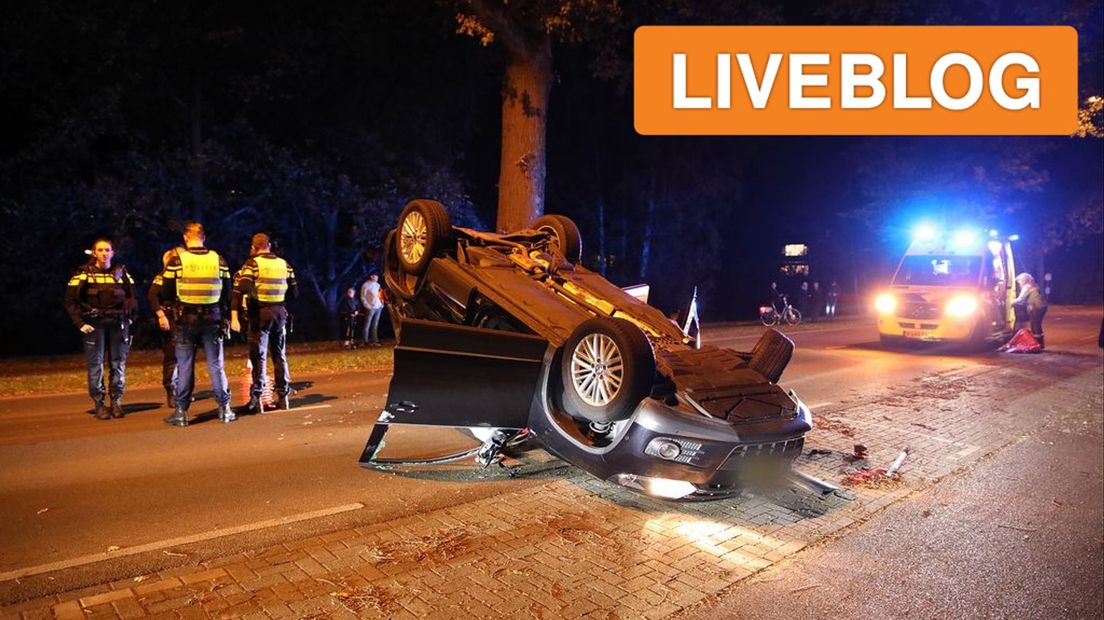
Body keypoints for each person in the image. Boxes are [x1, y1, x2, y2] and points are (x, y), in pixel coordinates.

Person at [153, 222, 235, 426]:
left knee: (185, 365)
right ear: (203, 237)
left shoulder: (176, 261)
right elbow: (227, 291)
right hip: (213, 317)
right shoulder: (218, 259)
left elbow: (167, 291)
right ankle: (224, 409)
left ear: (185, 238)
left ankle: (181, 412)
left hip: (185, 319)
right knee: (216, 364)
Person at [63, 238, 136, 420]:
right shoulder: (83, 274)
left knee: (118, 364)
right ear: (94, 253)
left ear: (113, 253)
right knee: (95, 365)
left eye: (107, 250)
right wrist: (80, 323)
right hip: (94, 325)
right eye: (100, 250)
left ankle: (116, 402)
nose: (104, 253)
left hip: (118, 324)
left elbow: (133, 298)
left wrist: (131, 319)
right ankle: (99, 404)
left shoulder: (122, 274)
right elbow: (70, 301)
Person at [231, 233, 298, 413]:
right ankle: (283, 396)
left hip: (260, 313)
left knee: (258, 356)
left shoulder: (252, 264)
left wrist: (253, 298)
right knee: (279, 355)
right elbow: (295, 291)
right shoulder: (284, 264)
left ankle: (257, 397)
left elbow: (244, 286)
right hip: (280, 312)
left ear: (254, 247)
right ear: (269, 245)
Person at [148, 247, 192, 408]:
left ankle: (183, 390)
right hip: (170, 318)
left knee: (186, 356)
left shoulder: (186, 276)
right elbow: (152, 296)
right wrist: (161, 315)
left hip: (186, 318)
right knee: (172, 356)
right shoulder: (162, 277)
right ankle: (171, 390)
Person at [1012, 272, 1048, 349]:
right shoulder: (1032, 285)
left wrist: (1009, 303)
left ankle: (1037, 345)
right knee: (1037, 325)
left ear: (1025, 280)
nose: (1019, 283)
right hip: (1041, 307)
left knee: (1035, 325)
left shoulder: (1026, 287)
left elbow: (1020, 299)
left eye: (1020, 281)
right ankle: (1040, 344)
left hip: (1036, 307)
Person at [360, 273, 384, 346]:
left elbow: (380, 294)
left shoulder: (377, 285)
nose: (377, 277)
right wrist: (367, 306)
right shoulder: (366, 285)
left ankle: (375, 340)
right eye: (375, 276)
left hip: (378, 307)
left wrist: (382, 304)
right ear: (371, 276)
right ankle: (365, 340)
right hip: (370, 307)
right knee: (367, 324)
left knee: (375, 324)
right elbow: (362, 297)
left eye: (377, 276)